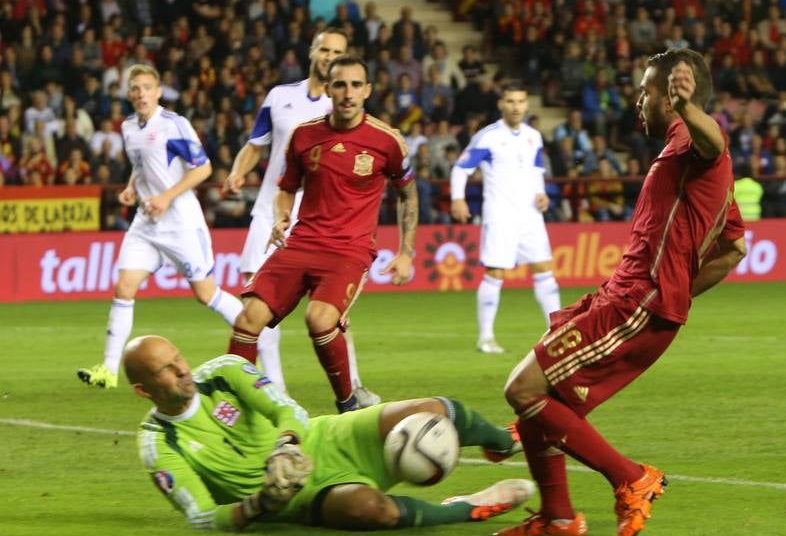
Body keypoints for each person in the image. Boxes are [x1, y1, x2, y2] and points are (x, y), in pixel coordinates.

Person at [497, 49, 746, 536]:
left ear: (677, 96)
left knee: (523, 390)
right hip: (634, 299)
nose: (639, 102)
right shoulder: (691, 164)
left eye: (646, 92)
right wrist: (678, 290)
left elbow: (714, 140)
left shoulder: (698, 146)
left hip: (635, 302)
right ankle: (559, 516)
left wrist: (690, 108)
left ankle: (631, 478)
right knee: (540, 404)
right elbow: (734, 247)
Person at [126, 335, 532, 531]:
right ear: (143, 390)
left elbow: (287, 410)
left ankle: (503, 440)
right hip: (297, 496)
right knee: (371, 511)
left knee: (432, 411)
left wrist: (286, 444)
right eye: (165, 369)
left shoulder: (223, 372)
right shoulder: (157, 444)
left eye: (177, 358)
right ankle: (466, 508)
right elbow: (199, 516)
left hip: (326, 438)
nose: (181, 369)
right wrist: (258, 505)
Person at [227, 56, 417, 413]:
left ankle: (347, 402)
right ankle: (231, 409)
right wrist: (282, 216)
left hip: (349, 250)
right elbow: (286, 187)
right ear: (328, 90)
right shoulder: (304, 135)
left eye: (356, 85)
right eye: (340, 85)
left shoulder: (386, 140)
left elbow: (408, 193)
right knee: (247, 318)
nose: (348, 94)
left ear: (368, 91)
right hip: (302, 241)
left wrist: (406, 251)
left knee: (319, 319)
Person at [77, 65, 245, 389]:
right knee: (124, 288)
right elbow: (141, 166)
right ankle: (109, 370)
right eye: (135, 88)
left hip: (180, 221)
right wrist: (132, 186)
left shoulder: (174, 125)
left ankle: (254, 333)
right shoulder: (127, 127)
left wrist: (167, 196)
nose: (140, 93)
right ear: (128, 94)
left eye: (146, 87)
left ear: (158, 92)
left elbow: (204, 168)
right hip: (146, 222)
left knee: (206, 294)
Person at [450, 81, 561, 354]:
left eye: (521, 101)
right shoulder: (487, 136)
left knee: (545, 270)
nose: (516, 107)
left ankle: (558, 330)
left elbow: (536, 170)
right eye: (510, 101)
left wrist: (541, 193)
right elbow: (460, 169)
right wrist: (458, 198)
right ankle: (485, 338)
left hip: (531, 216)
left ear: (526, 104)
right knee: (495, 274)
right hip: (500, 216)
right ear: (501, 104)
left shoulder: (533, 136)